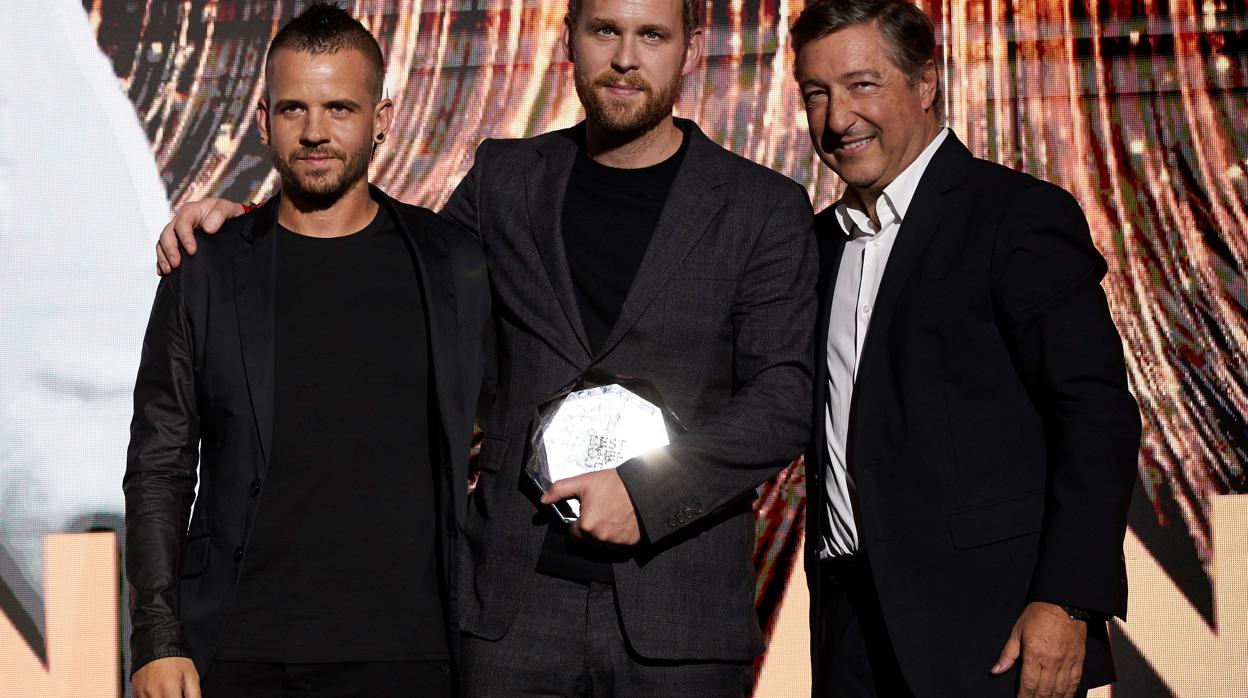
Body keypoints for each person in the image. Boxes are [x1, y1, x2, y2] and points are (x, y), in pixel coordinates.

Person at [155, 0, 817, 693]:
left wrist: (649, 493)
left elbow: (784, 397)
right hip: (511, 609)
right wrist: (255, 224)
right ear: (570, 40)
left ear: (691, 45)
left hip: (678, 616)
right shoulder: (505, 177)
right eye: (604, 31)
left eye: (651, 34)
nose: (626, 57)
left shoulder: (761, 206)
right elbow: (390, 277)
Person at [125, 4, 490, 697]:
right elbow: (159, 465)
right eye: (294, 108)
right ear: (263, 118)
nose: (316, 132)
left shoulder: (453, 264)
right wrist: (157, 636)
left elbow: (505, 434)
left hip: (411, 655)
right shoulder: (207, 270)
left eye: (340, 108)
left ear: (382, 117)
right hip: (239, 649)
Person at [789, 1, 1142, 697]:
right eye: (816, 94)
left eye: (862, 85)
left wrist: (1068, 601)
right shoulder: (811, 247)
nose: (836, 119)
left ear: (926, 83)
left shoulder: (1015, 216)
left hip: (992, 634)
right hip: (850, 634)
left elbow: (1095, 416)